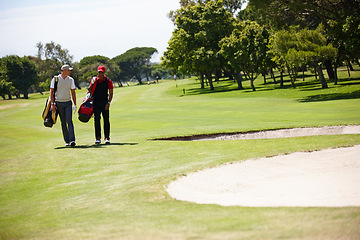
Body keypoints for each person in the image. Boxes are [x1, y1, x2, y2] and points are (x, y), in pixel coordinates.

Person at [50, 64, 77, 147]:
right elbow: (52, 92)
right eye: (68, 70)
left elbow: (73, 92)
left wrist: (75, 104)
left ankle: (72, 140)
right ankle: (67, 140)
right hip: (59, 103)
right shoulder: (56, 79)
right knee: (63, 122)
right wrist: (52, 104)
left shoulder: (71, 80)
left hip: (68, 102)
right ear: (64, 70)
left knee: (69, 120)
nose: (70, 71)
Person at [88, 65, 114, 144]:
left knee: (106, 120)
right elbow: (89, 90)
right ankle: (98, 138)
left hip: (105, 102)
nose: (100, 73)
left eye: (102, 72)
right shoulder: (94, 80)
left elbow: (111, 93)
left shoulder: (108, 81)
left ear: (104, 72)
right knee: (97, 120)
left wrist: (109, 103)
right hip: (96, 102)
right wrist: (92, 83)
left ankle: (107, 138)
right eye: (99, 72)